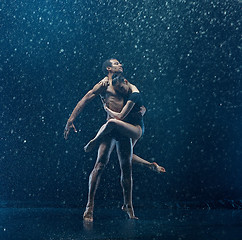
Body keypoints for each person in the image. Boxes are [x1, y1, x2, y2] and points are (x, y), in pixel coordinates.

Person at [64, 59, 138, 222]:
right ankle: (89, 207)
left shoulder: (124, 83)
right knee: (99, 165)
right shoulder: (103, 85)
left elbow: (136, 96)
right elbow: (86, 98)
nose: (121, 64)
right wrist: (71, 119)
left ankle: (129, 206)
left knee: (127, 168)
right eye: (117, 63)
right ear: (109, 68)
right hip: (110, 128)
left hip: (124, 127)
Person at [84, 75, 166, 174]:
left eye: (122, 88)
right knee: (128, 157)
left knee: (112, 122)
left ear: (126, 81)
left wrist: (107, 109)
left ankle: (94, 141)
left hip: (137, 128)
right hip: (130, 125)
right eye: (119, 90)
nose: (122, 91)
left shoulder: (134, 95)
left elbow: (120, 117)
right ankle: (151, 165)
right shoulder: (128, 89)